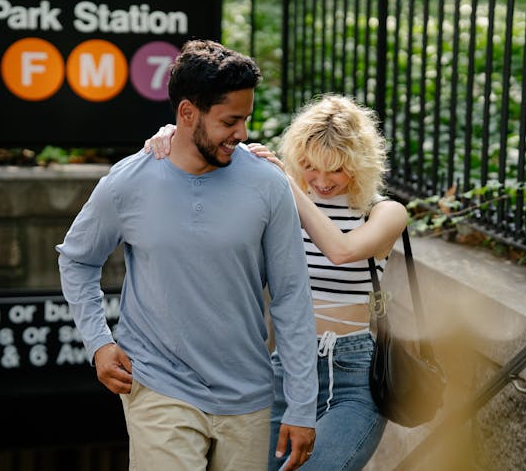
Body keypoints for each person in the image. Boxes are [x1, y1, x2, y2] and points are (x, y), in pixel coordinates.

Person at [56, 39, 318, 471]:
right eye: (230, 121)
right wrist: (99, 343)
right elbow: (78, 259)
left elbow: (291, 295)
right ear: (187, 113)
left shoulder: (268, 185)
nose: (243, 134)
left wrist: (301, 404)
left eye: (246, 120)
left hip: (248, 397)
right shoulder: (128, 182)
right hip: (160, 386)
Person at [144, 93, 409, 470]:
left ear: (359, 163)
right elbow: (204, 176)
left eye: (336, 169)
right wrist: (173, 136)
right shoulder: (281, 201)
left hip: (353, 376)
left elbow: (342, 251)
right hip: (285, 370)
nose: (320, 180)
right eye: (309, 166)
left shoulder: (383, 212)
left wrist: (289, 185)